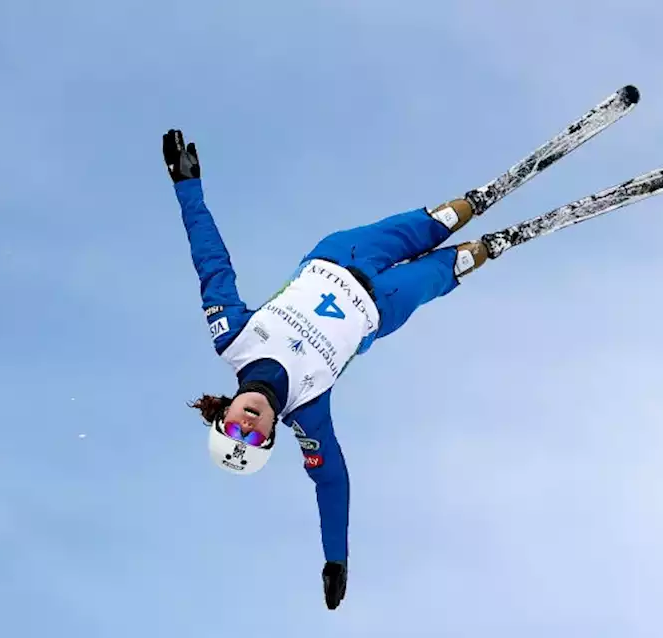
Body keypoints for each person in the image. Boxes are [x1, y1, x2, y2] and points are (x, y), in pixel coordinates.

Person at [163, 129, 490, 611]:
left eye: (234, 428)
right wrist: (336, 560)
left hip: (341, 257)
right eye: (252, 439)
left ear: (224, 410)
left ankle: (482, 199)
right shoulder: (308, 413)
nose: (247, 425)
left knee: (444, 217)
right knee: (456, 263)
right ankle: (492, 247)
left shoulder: (233, 336)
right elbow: (331, 481)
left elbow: (211, 262)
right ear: (272, 435)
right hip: (383, 305)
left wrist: (187, 187)